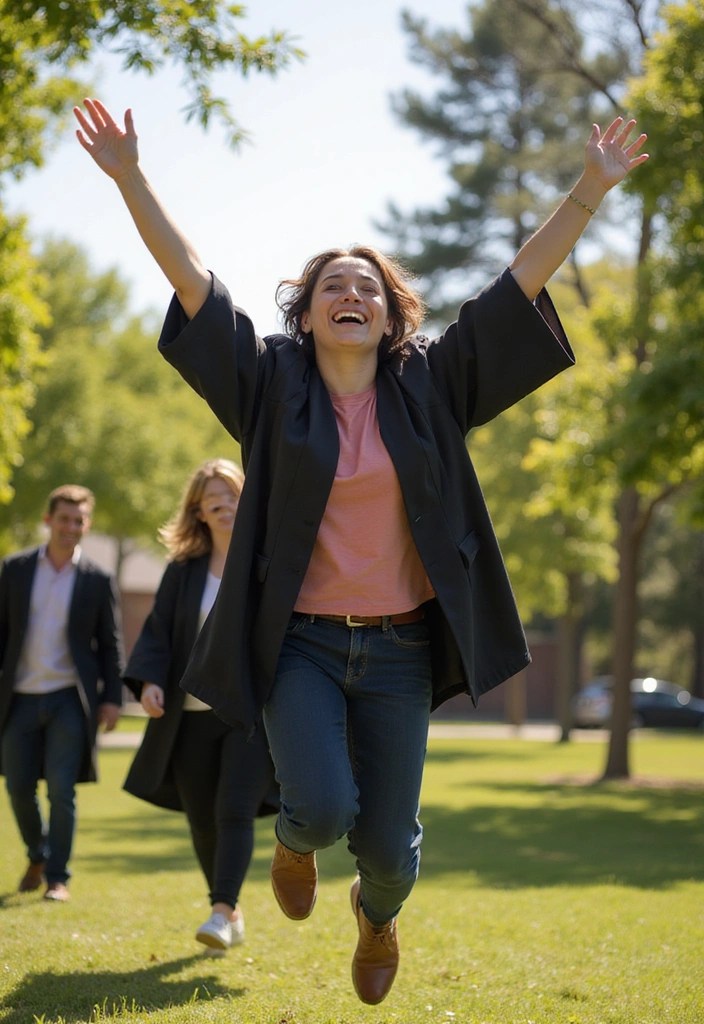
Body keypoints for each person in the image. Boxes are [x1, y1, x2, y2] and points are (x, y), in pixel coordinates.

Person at [74, 97, 648, 1003]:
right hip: (299, 642)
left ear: (391, 318)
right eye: (334, 286)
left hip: (401, 647)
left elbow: (516, 290)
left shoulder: (432, 384)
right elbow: (194, 285)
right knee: (321, 807)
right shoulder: (270, 383)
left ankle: (375, 917)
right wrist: (131, 177)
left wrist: (589, 188)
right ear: (306, 317)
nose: (352, 294)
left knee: (389, 848)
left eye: (369, 288)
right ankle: (294, 842)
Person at [122, 458, 278, 954]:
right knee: (202, 820)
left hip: (246, 714)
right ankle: (228, 910)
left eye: (232, 495)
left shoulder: (266, 562)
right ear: (199, 511)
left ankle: (219, 911)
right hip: (187, 717)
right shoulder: (183, 571)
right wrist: (149, 682)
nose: (224, 505)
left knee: (234, 810)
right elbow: (159, 633)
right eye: (213, 500)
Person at [0, 484, 123, 902]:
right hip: (19, 697)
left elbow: (110, 644)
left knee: (61, 790)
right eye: (64, 519)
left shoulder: (97, 579)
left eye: (79, 520)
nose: (71, 527)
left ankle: (58, 878)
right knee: (18, 787)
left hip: (70, 698)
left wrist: (112, 698)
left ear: (87, 524)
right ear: (48, 520)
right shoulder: (15, 569)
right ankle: (38, 854)